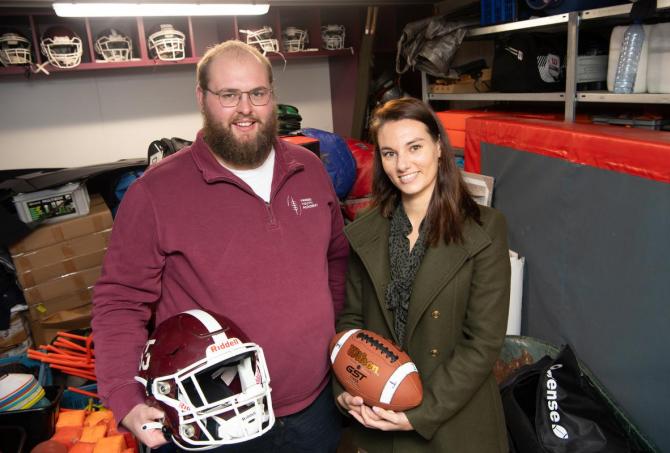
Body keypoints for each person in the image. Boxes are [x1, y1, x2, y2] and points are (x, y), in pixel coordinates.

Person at [92, 40, 348, 452]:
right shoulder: (155, 193)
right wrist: (124, 394)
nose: (246, 108)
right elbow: (120, 300)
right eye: (229, 95)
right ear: (202, 99)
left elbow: (336, 260)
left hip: (315, 409)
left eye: (258, 93)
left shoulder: (310, 171)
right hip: (214, 421)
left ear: (272, 97)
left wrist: (329, 340)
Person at [335, 97, 510, 453]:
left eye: (414, 147)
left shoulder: (485, 229)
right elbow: (351, 323)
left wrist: (421, 411)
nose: (403, 164)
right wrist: (348, 390)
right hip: (378, 419)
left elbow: (483, 342)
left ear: (439, 147)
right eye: (389, 153)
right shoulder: (365, 231)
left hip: (454, 422)